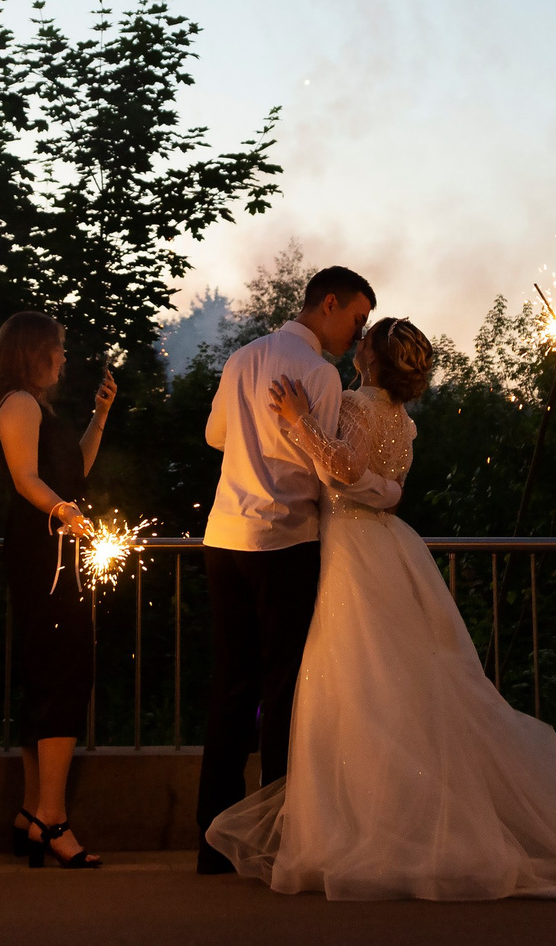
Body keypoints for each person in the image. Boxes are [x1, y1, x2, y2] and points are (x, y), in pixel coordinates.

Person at [207, 319, 556, 898]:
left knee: (357, 683)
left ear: (371, 359)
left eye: (364, 340)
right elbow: (388, 486)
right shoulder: (402, 420)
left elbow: (342, 469)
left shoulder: (357, 405)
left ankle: (363, 818)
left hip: (350, 551)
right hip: (382, 546)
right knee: (390, 685)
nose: (356, 344)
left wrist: (299, 422)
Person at [195, 267, 376, 874]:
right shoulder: (320, 373)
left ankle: (212, 842)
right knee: (282, 691)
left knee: (230, 687)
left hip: (224, 538)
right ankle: (275, 839)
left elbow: (214, 435)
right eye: (357, 317)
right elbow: (327, 467)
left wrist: (250, 438)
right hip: (285, 540)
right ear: (329, 304)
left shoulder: (243, 357)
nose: (360, 331)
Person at [0, 311, 117, 869]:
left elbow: (73, 470)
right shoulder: (17, 403)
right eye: (57, 349)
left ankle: (31, 813)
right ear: (33, 351)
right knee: (62, 673)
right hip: (44, 552)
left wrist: (100, 416)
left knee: (51, 672)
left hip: (57, 546)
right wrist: (62, 510)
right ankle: (51, 819)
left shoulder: (41, 408)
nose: (64, 357)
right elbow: (26, 479)